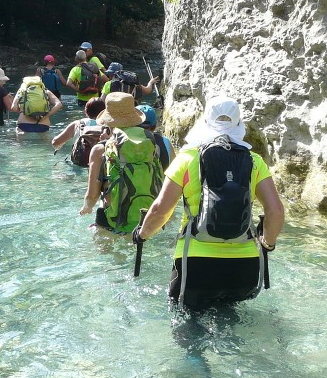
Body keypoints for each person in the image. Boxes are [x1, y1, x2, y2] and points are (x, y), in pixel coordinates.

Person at [132, 96, 284, 310]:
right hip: (244, 265)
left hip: (196, 263)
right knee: (232, 327)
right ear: (238, 123)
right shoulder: (254, 161)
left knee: (188, 330)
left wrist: (142, 234)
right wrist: (268, 243)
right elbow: (275, 211)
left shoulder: (187, 159)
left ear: (205, 121)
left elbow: (160, 210)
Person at [80, 92, 164, 233]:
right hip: (147, 217)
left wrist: (86, 208)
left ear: (107, 120)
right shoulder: (150, 144)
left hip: (113, 219)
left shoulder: (100, 149)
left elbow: (92, 195)